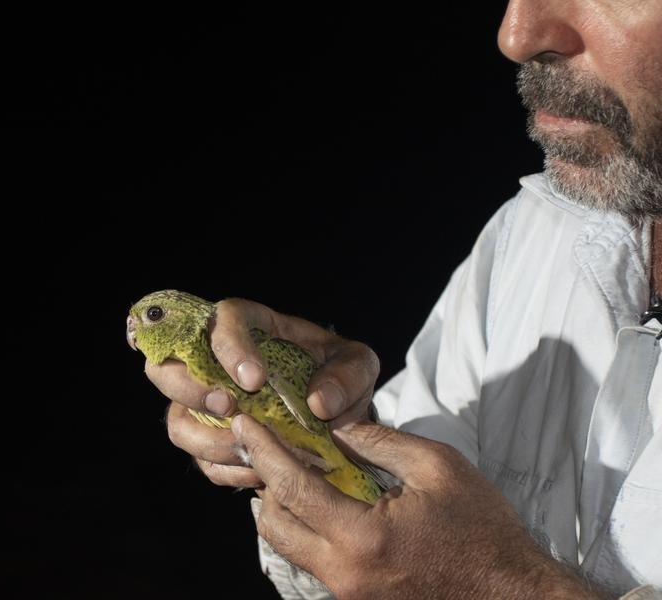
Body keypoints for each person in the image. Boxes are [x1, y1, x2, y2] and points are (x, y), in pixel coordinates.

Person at [145, 1, 662, 598]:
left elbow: (452, 570)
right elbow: (388, 544)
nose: (517, 35)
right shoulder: (535, 232)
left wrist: (495, 586)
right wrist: (312, 433)